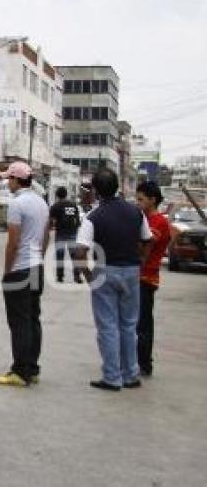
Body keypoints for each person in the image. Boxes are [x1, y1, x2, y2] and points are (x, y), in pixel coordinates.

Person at [75, 168, 153, 392]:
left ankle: (112, 377)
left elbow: (80, 252)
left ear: (97, 191)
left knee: (108, 326)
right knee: (129, 326)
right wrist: (141, 262)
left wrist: (89, 277)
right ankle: (131, 375)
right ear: (118, 186)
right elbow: (147, 240)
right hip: (131, 271)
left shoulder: (93, 217)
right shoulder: (136, 212)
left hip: (105, 271)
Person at [0, 161, 50, 387]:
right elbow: (46, 236)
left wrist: (8, 270)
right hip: (36, 267)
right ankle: (33, 368)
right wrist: (39, 257)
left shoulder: (17, 204)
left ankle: (20, 370)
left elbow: (13, 242)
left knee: (19, 322)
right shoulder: (41, 202)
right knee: (33, 318)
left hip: (20, 269)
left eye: (9, 179)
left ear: (17, 180)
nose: (8, 182)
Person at [134, 181, 172, 377]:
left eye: (140, 199)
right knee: (135, 322)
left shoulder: (157, 222)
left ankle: (144, 363)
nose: (137, 202)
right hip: (138, 276)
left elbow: (144, 247)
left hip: (146, 277)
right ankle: (137, 361)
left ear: (152, 200)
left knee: (143, 323)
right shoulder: (146, 219)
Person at [48, 186, 82, 283]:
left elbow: (51, 220)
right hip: (72, 232)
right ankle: (77, 276)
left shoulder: (55, 206)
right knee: (74, 255)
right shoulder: (73, 205)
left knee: (60, 255)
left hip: (60, 233)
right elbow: (78, 220)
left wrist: (51, 228)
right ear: (66, 194)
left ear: (57, 195)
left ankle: (60, 276)